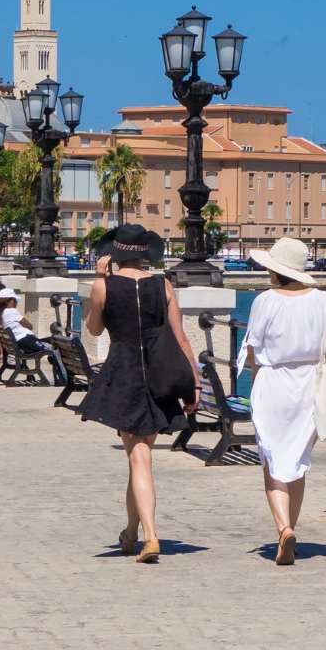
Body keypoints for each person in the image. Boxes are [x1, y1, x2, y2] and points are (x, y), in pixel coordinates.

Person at [79, 224, 200, 564]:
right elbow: (181, 338)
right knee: (140, 456)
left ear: (113, 254)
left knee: (139, 457)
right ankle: (131, 532)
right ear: (145, 253)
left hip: (125, 372)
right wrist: (195, 382)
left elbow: (94, 328)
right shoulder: (163, 285)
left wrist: (99, 283)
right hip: (159, 372)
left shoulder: (103, 285)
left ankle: (149, 535)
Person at [237, 237, 326, 566]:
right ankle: (291, 529)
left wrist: (257, 380)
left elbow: (253, 350)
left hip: (273, 383)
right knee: (296, 460)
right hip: (307, 385)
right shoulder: (323, 300)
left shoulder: (265, 301)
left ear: (275, 271)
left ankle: (283, 528)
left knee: (272, 460)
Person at [0, 288, 67, 385]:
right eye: (15, 300)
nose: (16, 303)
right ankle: (63, 378)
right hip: (26, 341)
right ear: (10, 300)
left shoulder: (0, 312)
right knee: (54, 349)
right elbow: (29, 325)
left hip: (20, 343)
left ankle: (55, 364)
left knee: (52, 339)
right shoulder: (11, 311)